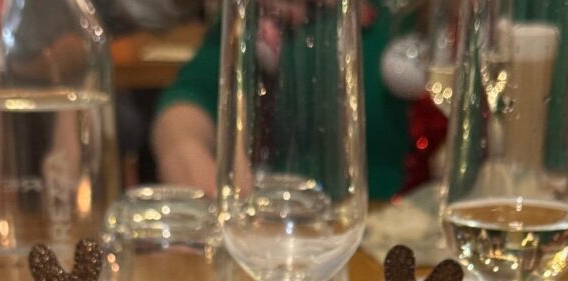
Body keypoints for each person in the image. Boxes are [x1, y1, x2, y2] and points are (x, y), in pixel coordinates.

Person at [151, 0, 418, 200]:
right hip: (279, 227)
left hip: (406, 234)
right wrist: (189, 157)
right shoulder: (269, 11)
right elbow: (189, 101)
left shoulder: (416, 17)